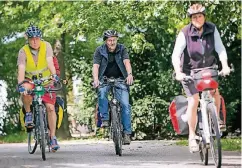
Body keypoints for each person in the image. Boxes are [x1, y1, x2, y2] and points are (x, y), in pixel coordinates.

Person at [171, 4, 231, 153]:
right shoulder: (185, 32)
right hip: (189, 71)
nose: (197, 19)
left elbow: (220, 48)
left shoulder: (212, 29)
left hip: (209, 68)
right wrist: (178, 72)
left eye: (199, 16)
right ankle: (192, 136)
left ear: (204, 17)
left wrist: (225, 65)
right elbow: (176, 55)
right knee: (194, 100)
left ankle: (216, 119)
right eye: (194, 17)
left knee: (214, 92)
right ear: (191, 19)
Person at [17, 24, 60, 152]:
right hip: (30, 80)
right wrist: (20, 85)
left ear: (40, 38)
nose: (35, 41)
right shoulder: (23, 51)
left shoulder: (46, 46)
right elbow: (21, 69)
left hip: (46, 80)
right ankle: (29, 114)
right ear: (28, 39)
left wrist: (54, 76)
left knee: (51, 108)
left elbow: (50, 62)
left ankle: (52, 137)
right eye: (32, 39)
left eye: (37, 38)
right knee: (25, 90)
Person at [92, 30, 134, 145]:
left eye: (114, 40)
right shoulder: (99, 51)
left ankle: (126, 133)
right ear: (106, 41)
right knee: (101, 93)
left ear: (117, 40)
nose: (112, 42)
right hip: (104, 79)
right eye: (110, 40)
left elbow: (126, 62)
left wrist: (129, 74)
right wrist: (96, 79)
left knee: (125, 105)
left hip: (120, 79)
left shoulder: (122, 49)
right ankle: (105, 118)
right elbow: (96, 66)